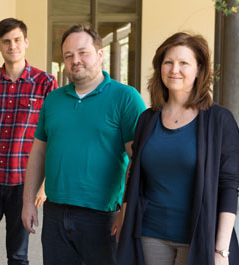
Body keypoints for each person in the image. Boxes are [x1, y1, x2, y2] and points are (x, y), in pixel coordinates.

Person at [22, 24, 146, 265]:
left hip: (103, 216)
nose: (75, 60)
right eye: (68, 56)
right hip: (56, 213)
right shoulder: (54, 99)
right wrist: (28, 202)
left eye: (82, 52)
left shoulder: (126, 97)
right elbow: (38, 152)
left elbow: (138, 159)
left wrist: (127, 211)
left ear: (100, 54)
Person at [115, 32, 239, 265]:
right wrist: (125, 216)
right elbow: (134, 175)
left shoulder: (220, 120)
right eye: (168, 62)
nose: (175, 69)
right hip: (150, 233)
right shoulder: (147, 119)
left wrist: (221, 250)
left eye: (184, 63)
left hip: (199, 237)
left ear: (199, 70)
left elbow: (229, 187)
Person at [0, 18, 58, 265]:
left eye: (17, 40)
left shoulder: (46, 83)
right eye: (6, 41)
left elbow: (54, 138)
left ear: (26, 42)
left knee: (18, 256)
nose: (12, 46)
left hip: (24, 183)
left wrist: (44, 185)